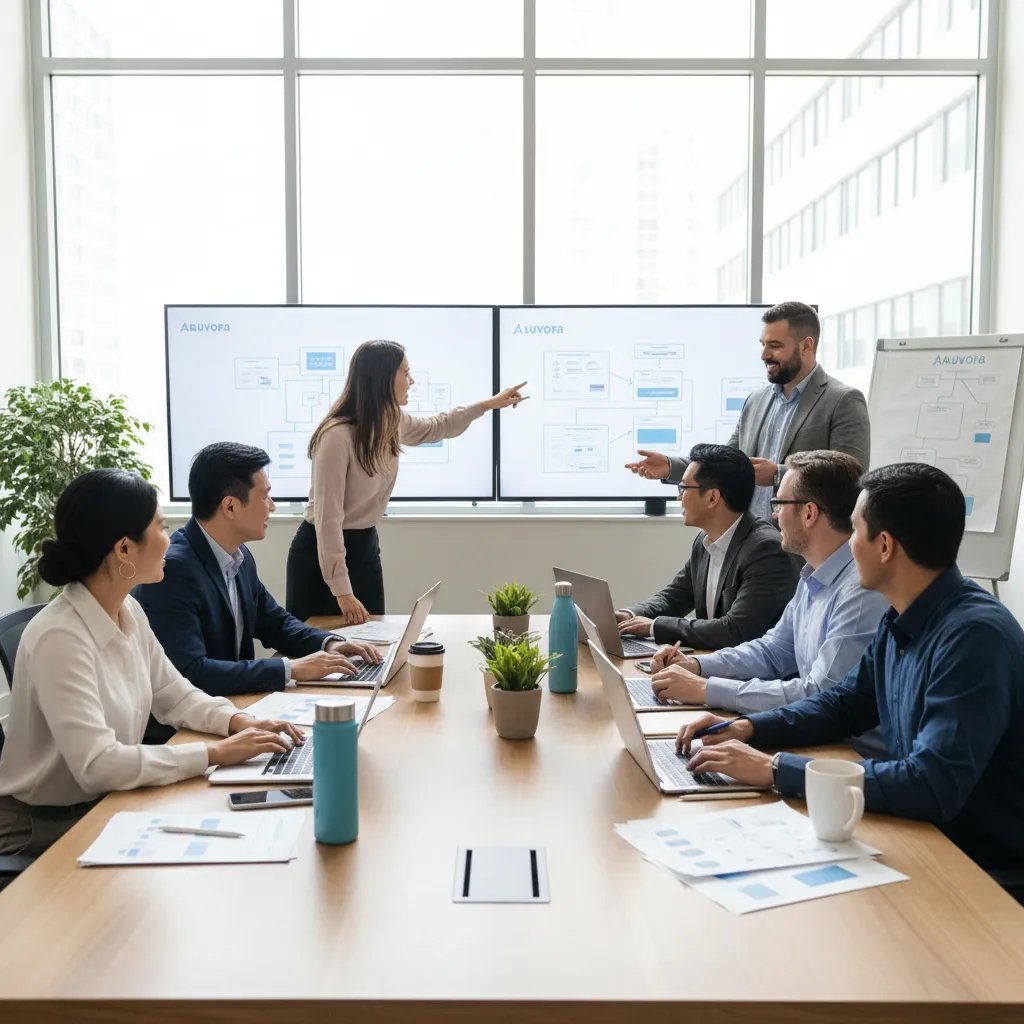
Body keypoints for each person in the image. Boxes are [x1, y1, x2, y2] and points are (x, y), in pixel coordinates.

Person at [675, 463, 1024, 876]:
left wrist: (774, 768)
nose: (847, 545)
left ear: (885, 546)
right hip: (919, 835)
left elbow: (932, 783)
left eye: (856, 531)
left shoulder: (973, 638)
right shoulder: (902, 615)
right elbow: (844, 705)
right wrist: (749, 729)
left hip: (979, 869)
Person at [0, 469, 306, 861]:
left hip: (104, 802)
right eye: (161, 526)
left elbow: (174, 696)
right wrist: (215, 754)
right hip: (42, 828)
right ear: (124, 549)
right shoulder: (59, 638)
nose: (170, 537)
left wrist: (237, 722)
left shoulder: (127, 609)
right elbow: (99, 764)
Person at [135, 443, 382, 742]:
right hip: (185, 734)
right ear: (230, 506)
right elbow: (192, 673)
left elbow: (275, 622)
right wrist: (289, 669)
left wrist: (330, 643)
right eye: (265, 496)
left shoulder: (238, 556)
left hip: (231, 713)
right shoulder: (174, 570)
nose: (273, 505)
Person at [648, 450, 889, 756]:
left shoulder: (859, 591)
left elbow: (819, 693)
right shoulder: (814, 574)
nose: (773, 515)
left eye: (779, 504)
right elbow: (773, 650)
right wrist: (696, 666)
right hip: (814, 740)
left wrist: (707, 689)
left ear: (809, 513)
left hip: (848, 758)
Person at [286, 340, 528, 625]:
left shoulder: (391, 421)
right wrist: (342, 590)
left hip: (364, 546)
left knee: (372, 643)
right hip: (322, 557)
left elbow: (439, 426)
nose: (411, 381)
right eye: (405, 372)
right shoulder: (336, 436)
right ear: (382, 378)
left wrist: (491, 403)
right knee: (319, 652)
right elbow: (328, 521)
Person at [625, 301, 870, 523]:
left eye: (775, 346)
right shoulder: (756, 400)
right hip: (754, 543)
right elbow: (725, 464)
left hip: (805, 552)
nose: (764, 355)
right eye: (763, 345)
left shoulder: (843, 400)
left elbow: (851, 478)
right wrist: (670, 467)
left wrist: (779, 474)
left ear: (806, 345)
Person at [615, 444, 799, 649]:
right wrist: (628, 615)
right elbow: (674, 598)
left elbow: (736, 630)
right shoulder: (705, 541)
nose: (679, 497)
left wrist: (654, 627)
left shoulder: (766, 550)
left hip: (749, 676)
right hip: (711, 664)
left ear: (712, 498)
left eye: (683, 488)